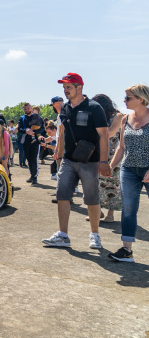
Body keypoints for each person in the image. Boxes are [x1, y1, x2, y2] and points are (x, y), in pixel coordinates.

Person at [42, 73, 110, 250]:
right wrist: (59, 153)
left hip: (90, 161)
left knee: (91, 198)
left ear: (79, 88)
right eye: (64, 87)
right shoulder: (65, 108)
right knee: (62, 195)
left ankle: (95, 235)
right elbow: (63, 132)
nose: (65, 90)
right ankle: (63, 235)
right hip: (69, 160)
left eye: (68, 87)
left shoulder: (94, 107)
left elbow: (104, 135)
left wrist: (103, 161)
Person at [108, 84, 149, 263]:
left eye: (128, 98)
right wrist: (110, 167)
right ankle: (126, 250)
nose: (124, 100)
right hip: (129, 169)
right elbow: (122, 147)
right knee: (128, 209)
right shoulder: (125, 119)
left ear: (141, 99)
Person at [88, 94, 123, 224]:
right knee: (94, 183)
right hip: (96, 153)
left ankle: (110, 213)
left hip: (113, 155)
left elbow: (111, 132)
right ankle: (98, 211)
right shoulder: (96, 116)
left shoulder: (118, 116)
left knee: (112, 184)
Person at [18, 103, 44, 184]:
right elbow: (19, 128)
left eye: (28, 108)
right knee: (29, 158)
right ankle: (32, 174)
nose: (27, 110)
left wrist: (34, 132)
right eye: (25, 109)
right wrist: (26, 131)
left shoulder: (37, 117)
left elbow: (43, 128)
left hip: (35, 141)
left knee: (34, 158)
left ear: (31, 108)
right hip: (26, 141)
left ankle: (35, 176)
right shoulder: (22, 118)